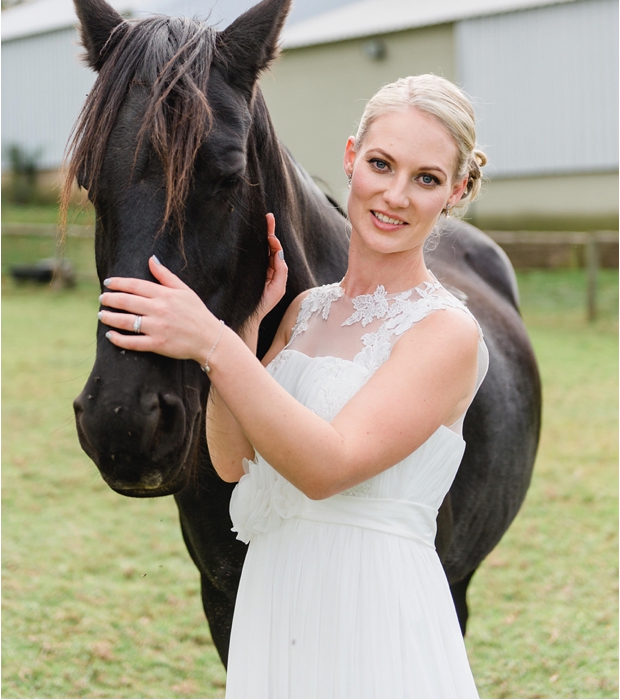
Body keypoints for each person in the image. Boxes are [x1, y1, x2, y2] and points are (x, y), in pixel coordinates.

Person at [98, 74, 489, 699]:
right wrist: (246, 331)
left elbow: (327, 467)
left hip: (373, 613)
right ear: (350, 157)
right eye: (381, 164)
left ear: (456, 190)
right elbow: (232, 461)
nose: (393, 195)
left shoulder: (445, 332)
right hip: (278, 600)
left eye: (426, 178)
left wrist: (213, 343)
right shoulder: (305, 311)